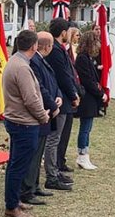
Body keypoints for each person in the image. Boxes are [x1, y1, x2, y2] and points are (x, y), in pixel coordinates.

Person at [2, 30, 51, 217]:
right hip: (24, 123)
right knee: (18, 166)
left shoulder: (16, 61)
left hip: (18, 121)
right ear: (34, 46)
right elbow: (31, 99)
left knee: (15, 164)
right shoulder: (21, 66)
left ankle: (14, 200)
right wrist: (43, 116)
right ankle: (11, 206)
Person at [20, 32, 62, 204]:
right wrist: (52, 105)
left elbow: (53, 81)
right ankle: (28, 190)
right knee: (33, 155)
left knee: (38, 155)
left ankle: (35, 185)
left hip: (46, 112)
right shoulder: (33, 62)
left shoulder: (41, 60)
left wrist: (58, 96)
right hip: (39, 113)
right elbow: (39, 88)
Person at [43, 19, 78, 189]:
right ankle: (52, 174)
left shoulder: (58, 48)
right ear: (63, 32)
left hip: (61, 97)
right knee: (54, 139)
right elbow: (62, 76)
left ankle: (55, 170)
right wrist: (73, 94)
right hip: (59, 98)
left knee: (57, 138)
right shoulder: (55, 51)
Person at [74, 29, 107, 170]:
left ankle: (85, 154)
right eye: (96, 41)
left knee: (88, 128)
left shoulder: (88, 57)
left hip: (91, 98)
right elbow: (88, 81)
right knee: (85, 129)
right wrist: (101, 93)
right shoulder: (82, 58)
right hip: (87, 98)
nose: (99, 44)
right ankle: (82, 155)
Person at [56, 25, 82, 173]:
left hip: (70, 95)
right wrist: (73, 94)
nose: (78, 38)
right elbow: (64, 76)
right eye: (76, 35)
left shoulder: (68, 51)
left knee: (65, 133)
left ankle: (61, 160)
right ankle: (57, 163)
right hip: (64, 97)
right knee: (58, 135)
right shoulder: (62, 50)